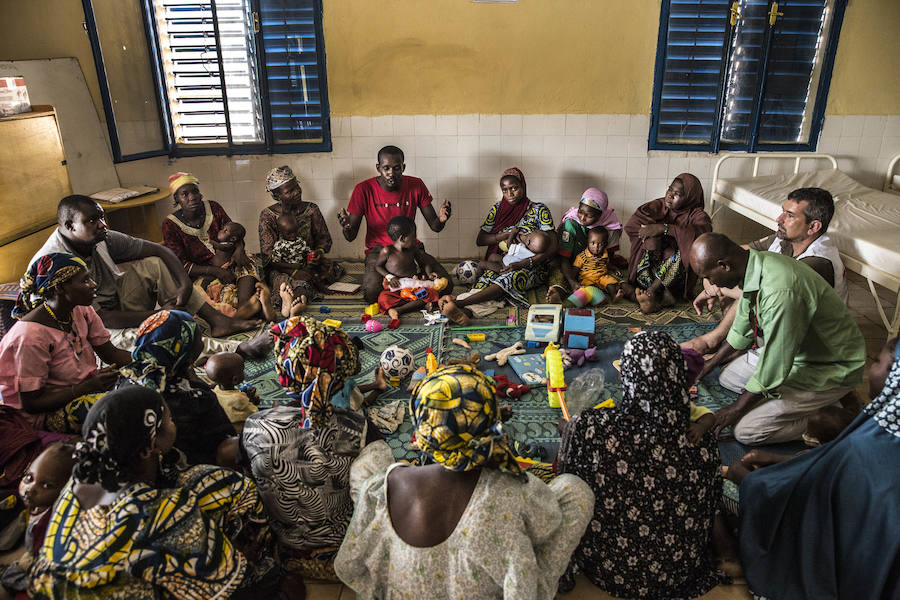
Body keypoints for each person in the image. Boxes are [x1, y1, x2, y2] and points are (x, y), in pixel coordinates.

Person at [335, 364, 594, 599]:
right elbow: (546, 526)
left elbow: (349, 565)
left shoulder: (381, 487)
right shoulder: (515, 490)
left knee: (367, 470)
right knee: (573, 489)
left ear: (422, 431)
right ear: (492, 424)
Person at [28, 386, 302, 599]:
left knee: (219, 485)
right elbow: (231, 591)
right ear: (150, 447)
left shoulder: (81, 479)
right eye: (168, 419)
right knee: (284, 586)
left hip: (56, 587)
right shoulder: (165, 512)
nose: (174, 423)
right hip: (120, 586)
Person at [728, 337, 900, 599]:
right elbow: (836, 466)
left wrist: (749, 479)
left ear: (895, 378)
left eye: (877, 361)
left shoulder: (867, 447)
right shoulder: (879, 434)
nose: (869, 370)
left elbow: (809, 487)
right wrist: (780, 460)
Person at [557, 331, 724, 598]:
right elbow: (711, 502)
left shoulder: (590, 428)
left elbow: (568, 479)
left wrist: (570, 431)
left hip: (610, 570)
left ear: (627, 377)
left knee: (566, 486)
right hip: (678, 570)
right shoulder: (700, 438)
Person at [242, 316, 390, 578]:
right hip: (345, 553)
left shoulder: (253, 426)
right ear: (344, 376)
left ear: (283, 374)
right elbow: (378, 501)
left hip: (284, 552)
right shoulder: (360, 430)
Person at [690, 233, 865, 445]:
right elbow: (743, 325)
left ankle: (833, 415)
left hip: (828, 367)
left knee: (746, 431)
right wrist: (711, 363)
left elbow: (776, 361)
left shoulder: (781, 290)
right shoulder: (756, 264)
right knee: (728, 377)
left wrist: (734, 409)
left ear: (724, 265)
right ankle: (807, 399)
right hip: (799, 351)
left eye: (708, 276)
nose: (710, 283)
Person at [32, 194, 259, 337]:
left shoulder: (101, 236)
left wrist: (184, 286)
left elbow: (159, 250)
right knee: (154, 346)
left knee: (154, 264)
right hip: (89, 326)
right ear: (70, 226)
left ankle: (217, 320)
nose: (102, 225)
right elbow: (100, 318)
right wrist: (158, 315)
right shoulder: (53, 263)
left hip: (117, 301)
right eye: (92, 221)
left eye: (101, 217)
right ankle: (215, 342)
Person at [684, 187, 847, 355]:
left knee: (743, 289)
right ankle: (726, 342)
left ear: (813, 226)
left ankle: (716, 341)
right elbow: (733, 256)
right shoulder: (784, 239)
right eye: (783, 212)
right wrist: (712, 275)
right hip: (781, 318)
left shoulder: (817, 263)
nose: (779, 219)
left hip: (808, 342)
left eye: (789, 216)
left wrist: (716, 286)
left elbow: (767, 296)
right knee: (735, 279)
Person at [0, 253, 131, 433]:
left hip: (83, 388)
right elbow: (32, 404)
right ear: (59, 288)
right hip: (45, 413)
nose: (93, 284)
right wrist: (87, 386)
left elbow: (112, 354)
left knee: (146, 383)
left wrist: (149, 358)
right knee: (120, 409)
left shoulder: (81, 309)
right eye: (85, 281)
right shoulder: (30, 337)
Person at [117, 310, 238, 466]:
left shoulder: (124, 380)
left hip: (140, 470)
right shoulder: (198, 398)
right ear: (188, 357)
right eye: (199, 338)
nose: (201, 342)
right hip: (191, 470)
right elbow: (225, 440)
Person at [440, 167, 557, 325]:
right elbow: (480, 239)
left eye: (514, 188)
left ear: (522, 186)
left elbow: (553, 246)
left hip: (533, 265)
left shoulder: (538, 210)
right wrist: (502, 236)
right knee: (488, 277)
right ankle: (464, 313)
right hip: (506, 259)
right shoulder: (497, 209)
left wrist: (526, 263)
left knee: (509, 278)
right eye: (505, 190)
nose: (510, 194)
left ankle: (460, 304)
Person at [338, 145, 453, 303]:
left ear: (403, 167)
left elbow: (435, 226)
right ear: (378, 168)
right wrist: (346, 227)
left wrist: (441, 220)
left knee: (447, 285)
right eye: (386, 168)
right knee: (371, 294)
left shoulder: (416, 185)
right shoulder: (363, 189)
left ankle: (408, 288)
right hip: (379, 251)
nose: (391, 173)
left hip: (411, 247)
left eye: (396, 168)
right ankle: (412, 291)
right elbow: (350, 236)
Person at [162, 172, 267, 316]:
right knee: (202, 295)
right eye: (184, 194)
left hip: (230, 261)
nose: (192, 197)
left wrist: (239, 251)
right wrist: (215, 271)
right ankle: (246, 307)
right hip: (201, 274)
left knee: (248, 266)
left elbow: (235, 231)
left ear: (200, 194)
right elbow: (181, 264)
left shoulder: (213, 207)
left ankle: (243, 307)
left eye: (195, 192)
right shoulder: (170, 225)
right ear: (177, 199)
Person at [258, 165, 344, 314]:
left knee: (316, 272)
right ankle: (293, 298)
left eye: (296, 186)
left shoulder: (311, 209)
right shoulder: (268, 216)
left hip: (309, 263)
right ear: (277, 195)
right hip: (281, 266)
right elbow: (268, 255)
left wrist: (318, 253)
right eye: (289, 191)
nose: (297, 192)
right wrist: (294, 269)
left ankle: (296, 299)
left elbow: (325, 240)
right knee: (281, 278)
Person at [621, 174, 712, 313]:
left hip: (674, 277)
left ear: (689, 198)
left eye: (677, 194)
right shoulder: (659, 205)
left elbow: (703, 238)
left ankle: (652, 292)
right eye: (670, 189)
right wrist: (653, 237)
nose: (670, 195)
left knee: (685, 253)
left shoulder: (697, 216)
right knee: (651, 243)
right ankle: (660, 296)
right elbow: (633, 225)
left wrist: (665, 229)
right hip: (647, 273)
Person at [0, 441, 76, 596]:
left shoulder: (52, 523)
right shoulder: (35, 507)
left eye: (46, 485)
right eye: (29, 478)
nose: (31, 489)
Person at [376, 216, 448, 323]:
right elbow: (378, 266)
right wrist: (390, 277)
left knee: (431, 293)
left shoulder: (413, 249)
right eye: (413, 236)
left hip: (414, 287)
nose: (415, 239)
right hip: (396, 288)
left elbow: (424, 262)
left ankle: (399, 309)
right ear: (403, 238)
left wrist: (429, 274)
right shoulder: (387, 251)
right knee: (382, 298)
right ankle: (416, 305)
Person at [556, 187, 624, 282]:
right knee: (558, 279)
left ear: (600, 215)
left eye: (589, 216)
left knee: (619, 283)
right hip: (572, 265)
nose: (582, 218)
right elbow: (563, 258)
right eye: (580, 212)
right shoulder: (571, 223)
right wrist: (572, 281)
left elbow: (609, 255)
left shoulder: (611, 226)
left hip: (598, 266)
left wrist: (609, 266)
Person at [548, 227, 620, 307]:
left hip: (601, 277)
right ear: (587, 242)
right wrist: (573, 283)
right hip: (588, 279)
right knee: (588, 291)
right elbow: (575, 270)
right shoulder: (582, 257)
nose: (596, 247)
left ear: (605, 244)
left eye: (600, 244)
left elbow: (607, 264)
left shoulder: (604, 254)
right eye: (593, 243)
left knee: (611, 284)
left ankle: (614, 296)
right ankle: (566, 305)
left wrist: (615, 268)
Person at [204, 352, 259, 434]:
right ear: (235, 379)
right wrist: (252, 400)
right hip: (239, 431)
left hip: (222, 426)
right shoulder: (239, 399)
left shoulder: (214, 391)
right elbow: (256, 414)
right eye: (242, 370)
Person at [480, 228, 551, 274]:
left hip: (504, 268)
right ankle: (489, 271)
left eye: (531, 233)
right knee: (493, 256)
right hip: (506, 262)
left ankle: (477, 276)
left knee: (482, 264)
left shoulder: (522, 248)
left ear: (528, 242)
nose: (529, 233)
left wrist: (512, 233)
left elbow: (509, 245)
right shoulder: (532, 254)